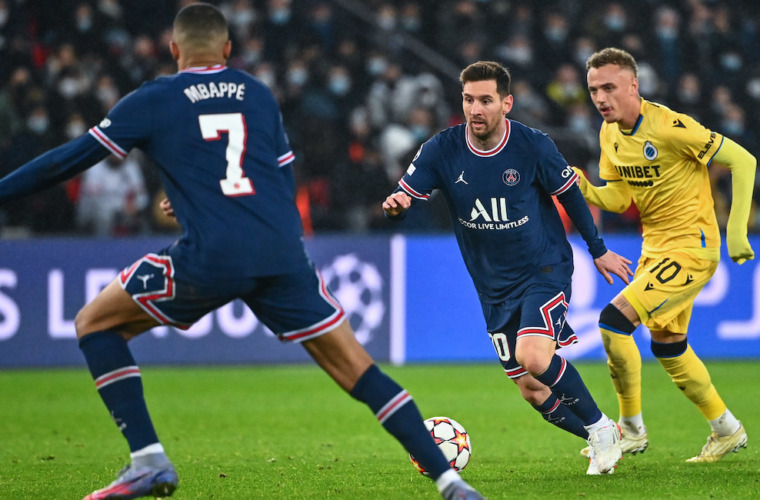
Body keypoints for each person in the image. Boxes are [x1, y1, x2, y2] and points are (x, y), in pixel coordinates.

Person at [0, 5, 484, 500]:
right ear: (228, 49)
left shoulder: (154, 98)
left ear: (174, 49)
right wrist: (206, 198)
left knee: (95, 324)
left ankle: (147, 460)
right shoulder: (257, 93)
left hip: (211, 254)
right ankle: (452, 484)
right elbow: (279, 181)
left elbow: (65, 162)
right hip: (281, 255)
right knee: (359, 370)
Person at [382, 60, 634, 476]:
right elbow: (404, 197)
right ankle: (598, 436)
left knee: (533, 356)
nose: (475, 109)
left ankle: (601, 428)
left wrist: (598, 249)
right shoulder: (441, 149)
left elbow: (570, 195)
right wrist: (397, 206)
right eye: (468, 100)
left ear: (507, 103)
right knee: (532, 389)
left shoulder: (533, 145)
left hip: (544, 269)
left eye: (485, 100)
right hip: (492, 286)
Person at [577, 47, 754, 463]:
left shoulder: (671, 127)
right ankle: (726, 429)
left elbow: (743, 160)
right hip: (655, 249)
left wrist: (736, 230)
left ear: (633, 85)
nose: (600, 98)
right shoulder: (609, 133)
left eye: (609, 88)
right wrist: (582, 187)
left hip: (692, 247)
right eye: (594, 90)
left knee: (613, 321)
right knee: (668, 345)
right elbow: (619, 198)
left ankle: (630, 431)